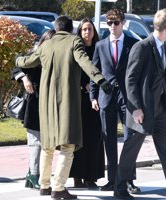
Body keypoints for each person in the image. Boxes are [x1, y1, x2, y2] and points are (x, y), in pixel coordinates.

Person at [15, 15, 112, 200]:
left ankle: (44, 184)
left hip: (45, 103)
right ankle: (58, 187)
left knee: (48, 145)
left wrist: (18, 60)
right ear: (70, 29)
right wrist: (100, 79)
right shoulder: (74, 41)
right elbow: (85, 62)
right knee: (68, 145)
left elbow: (28, 61)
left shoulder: (47, 44)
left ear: (56, 28)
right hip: (66, 102)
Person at [114, 9, 166, 200]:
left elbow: (158, 75)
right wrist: (135, 108)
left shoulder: (163, 48)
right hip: (142, 110)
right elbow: (130, 80)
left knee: (165, 149)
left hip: (160, 109)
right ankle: (119, 189)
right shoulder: (142, 47)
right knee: (131, 151)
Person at [89, 9, 140, 193]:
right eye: (109, 23)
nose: (112, 26)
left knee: (130, 140)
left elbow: (139, 73)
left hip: (128, 98)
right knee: (108, 139)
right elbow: (94, 72)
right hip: (106, 97)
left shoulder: (134, 44)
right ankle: (112, 179)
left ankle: (128, 180)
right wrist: (93, 96)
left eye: (115, 23)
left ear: (123, 23)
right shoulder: (100, 46)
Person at [11, 29, 56, 190]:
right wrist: (24, 78)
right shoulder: (34, 55)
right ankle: (35, 175)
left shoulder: (54, 57)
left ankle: (32, 173)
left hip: (50, 105)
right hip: (34, 104)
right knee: (35, 142)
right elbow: (16, 64)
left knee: (46, 143)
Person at [69, 18, 105, 188]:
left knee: (94, 139)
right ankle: (76, 176)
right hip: (79, 101)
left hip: (95, 100)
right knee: (78, 140)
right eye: (84, 29)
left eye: (90, 29)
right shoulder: (76, 49)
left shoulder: (99, 48)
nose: (87, 32)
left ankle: (91, 176)